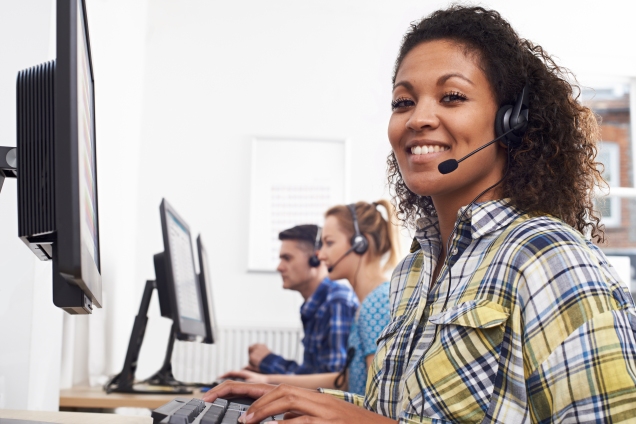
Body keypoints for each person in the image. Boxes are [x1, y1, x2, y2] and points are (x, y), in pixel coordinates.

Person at [204, 6, 636, 423]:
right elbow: (399, 413)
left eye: (451, 97)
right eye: (403, 102)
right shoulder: (415, 269)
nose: (418, 119)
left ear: (511, 122)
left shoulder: (548, 258)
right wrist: (294, 399)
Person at [220, 200, 400, 395]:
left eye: (329, 243)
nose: (320, 255)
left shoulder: (376, 303)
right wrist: (266, 381)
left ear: (360, 243)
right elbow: (344, 381)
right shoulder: (366, 303)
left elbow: (380, 400)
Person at [248, 224, 359, 375]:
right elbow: (311, 373)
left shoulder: (336, 302)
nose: (279, 267)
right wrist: (265, 372)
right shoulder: (316, 304)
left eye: (287, 258)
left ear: (316, 259)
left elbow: (332, 382)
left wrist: (268, 361)